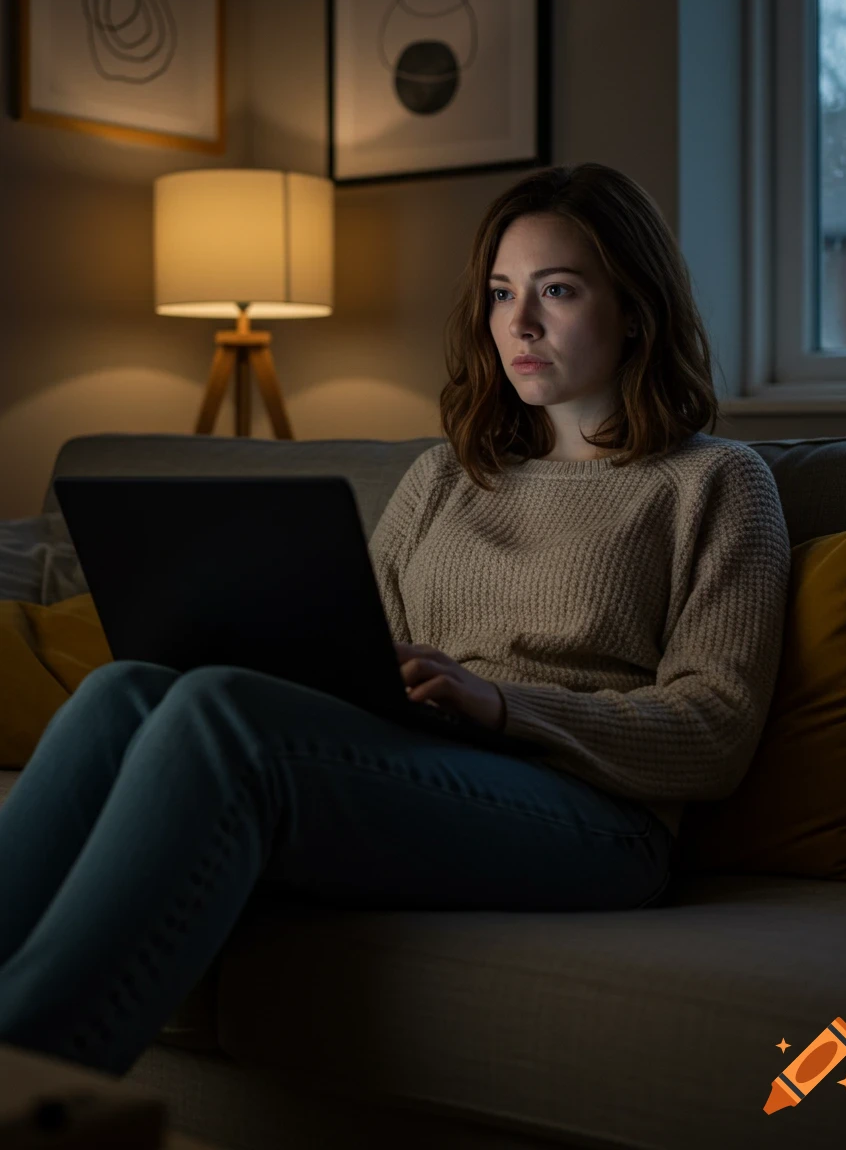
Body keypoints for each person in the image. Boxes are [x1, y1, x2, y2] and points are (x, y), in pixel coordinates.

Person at [0, 162, 792, 1079]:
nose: (519, 324)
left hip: (599, 822)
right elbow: (359, 653)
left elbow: (716, 732)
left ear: (636, 309)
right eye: (502, 294)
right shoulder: (447, 477)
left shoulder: (717, 485)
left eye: (558, 291)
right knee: (125, 689)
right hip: (427, 762)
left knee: (223, 720)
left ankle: (32, 1084)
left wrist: (502, 705)